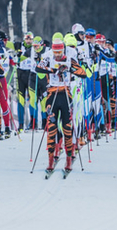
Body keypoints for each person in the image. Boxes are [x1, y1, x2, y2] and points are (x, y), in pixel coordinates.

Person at [37, 36, 89, 178]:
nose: (57, 55)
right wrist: (53, 71)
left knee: (67, 128)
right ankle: (50, 158)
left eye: (59, 53)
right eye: (55, 52)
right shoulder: (47, 56)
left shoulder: (70, 56)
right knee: (51, 127)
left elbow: (83, 74)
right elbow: (38, 69)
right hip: (52, 93)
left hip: (66, 93)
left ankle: (68, 158)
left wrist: (69, 68)